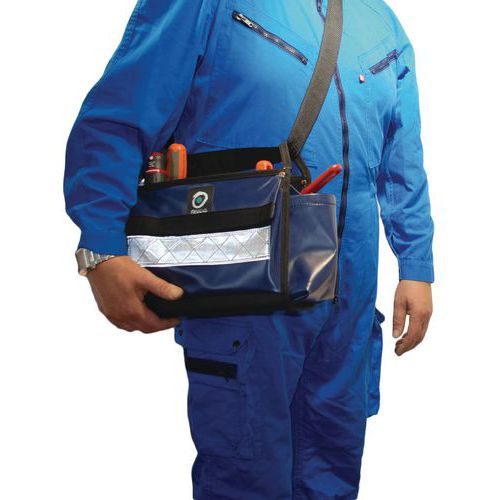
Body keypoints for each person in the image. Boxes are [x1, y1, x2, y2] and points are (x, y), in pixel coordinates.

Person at [64, 0, 434, 498]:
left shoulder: (380, 22)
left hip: (349, 299)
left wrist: (416, 265)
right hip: (246, 282)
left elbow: (401, 161)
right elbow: (118, 119)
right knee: (245, 475)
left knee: (333, 467)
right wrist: (102, 249)